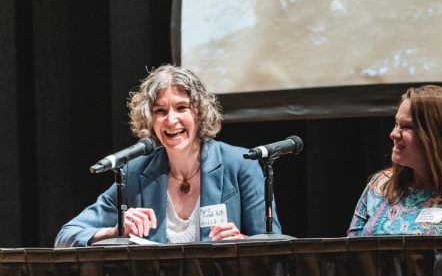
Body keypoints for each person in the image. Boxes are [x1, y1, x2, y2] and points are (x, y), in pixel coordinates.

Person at [56, 64, 279, 246]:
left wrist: (243, 243)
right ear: (150, 120)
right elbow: (66, 236)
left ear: (199, 113)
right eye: (160, 111)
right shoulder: (135, 172)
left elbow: (273, 246)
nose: (171, 120)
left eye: (181, 108)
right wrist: (114, 231)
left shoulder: (240, 165)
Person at [348, 85, 442, 236]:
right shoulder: (381, 184)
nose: (393, 134)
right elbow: (350, 252)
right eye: (396, 124)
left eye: (407, 127)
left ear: (436, 136)